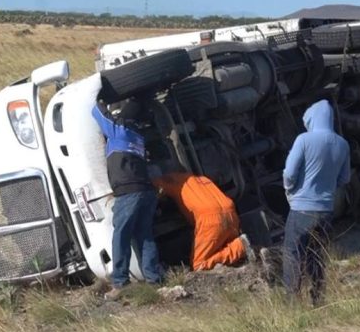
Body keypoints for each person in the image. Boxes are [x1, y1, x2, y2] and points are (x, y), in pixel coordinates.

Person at [91, 99, 163, 300]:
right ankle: (153, 279)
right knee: (144, 235)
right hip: (146, 191)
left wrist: (98, 98)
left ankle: (120, 283)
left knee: (121, 236)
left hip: (128, 192)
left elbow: (97, 112)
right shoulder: (138, 136)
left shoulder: (119, 129)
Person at [281, 99, 350, 305]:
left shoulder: (303, 140)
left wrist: (290, 188)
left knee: (292, 255)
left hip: (301, 210)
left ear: (311, 119)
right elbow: (344, 179)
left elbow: (290, 173)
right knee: (316, 256)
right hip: (326, 210)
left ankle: (293, 305)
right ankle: (318, 300)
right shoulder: (342, 144)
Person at [153, 172, 255, 271]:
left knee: (199, 265)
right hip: (231, 213)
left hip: (210, 220)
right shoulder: (201, 179)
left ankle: (239, 247)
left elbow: (157, 191)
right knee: (226, 251)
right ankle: (242, 249)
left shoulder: (167, 180)